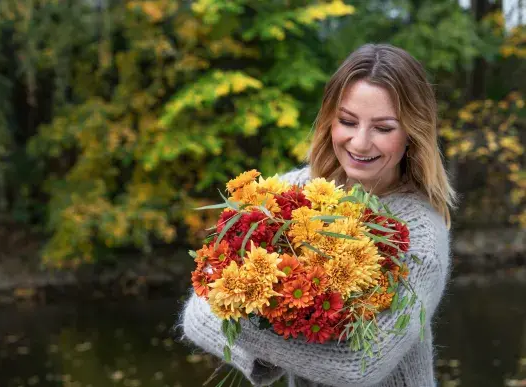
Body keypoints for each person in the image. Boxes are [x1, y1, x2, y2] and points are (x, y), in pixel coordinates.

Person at [179, 43, 457, 386]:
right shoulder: (286, 193)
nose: (359, 142)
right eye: (347, 121)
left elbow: (359, 366)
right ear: (329, 120)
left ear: (412, 133)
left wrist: (238, 319)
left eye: (383, 128)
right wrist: (257, 328)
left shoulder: (420, 233)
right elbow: (195, 313)